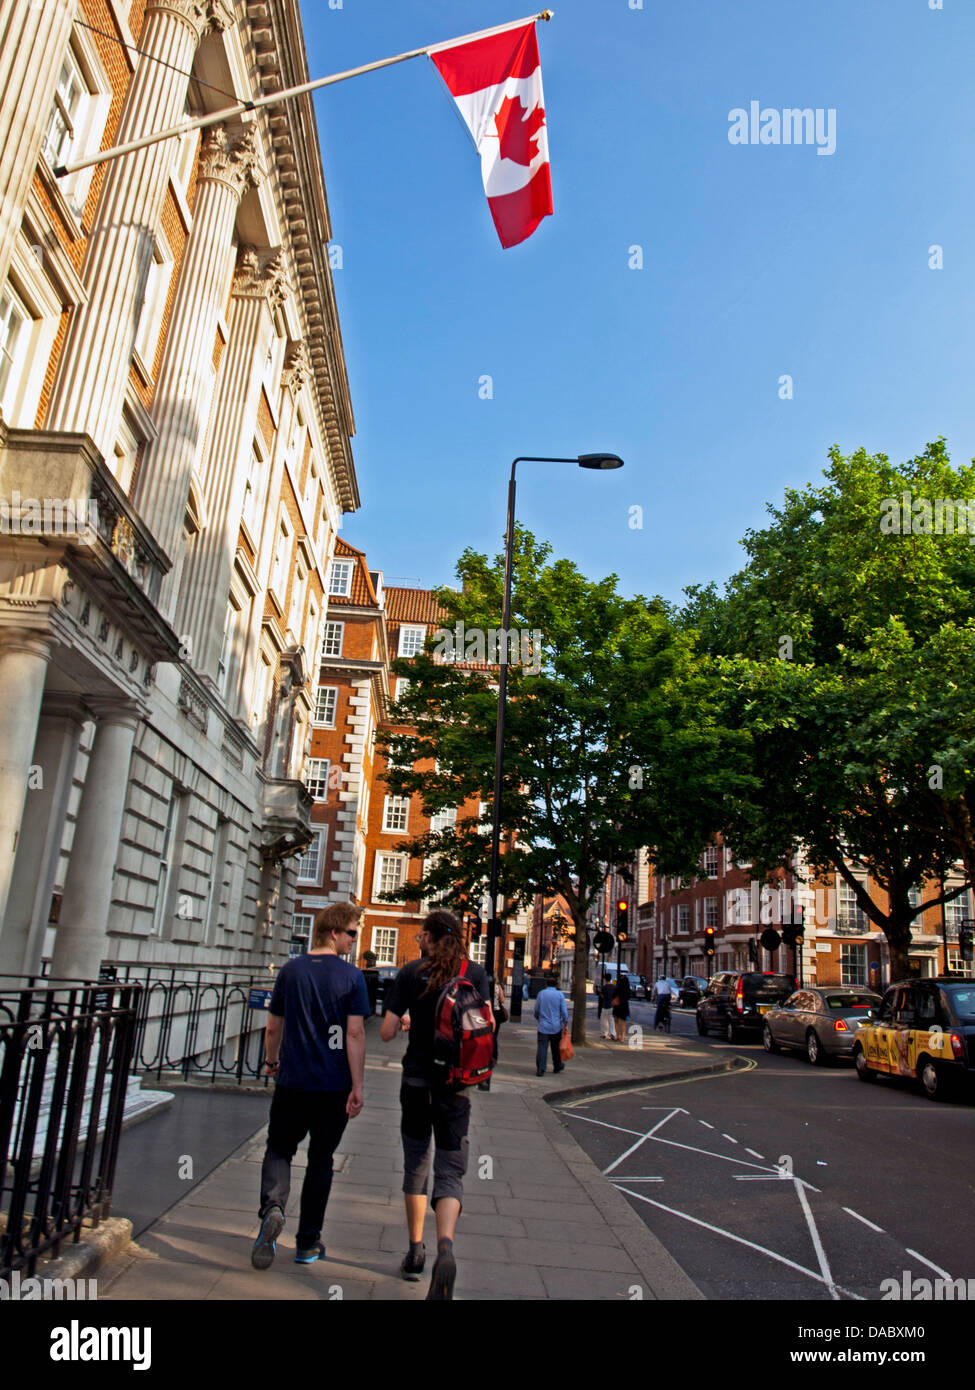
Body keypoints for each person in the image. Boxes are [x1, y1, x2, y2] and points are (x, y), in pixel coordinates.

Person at [380, 909, 489, 1300]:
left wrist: (409, 1020)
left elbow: (387, 1032)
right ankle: (446, 1246)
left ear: (429, 936)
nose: (419, 941)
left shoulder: (411, 973)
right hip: (456, 1086)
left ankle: (415, 1251)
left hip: (415, 1081)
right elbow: (483, 1025)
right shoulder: (474, 974)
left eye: (422, 935)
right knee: (450, 1171)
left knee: (416, 1165)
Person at [252, 903, 368, 1270]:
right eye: (351, 932)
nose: (354, 939)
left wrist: (272, 1062)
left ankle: (273, 1206)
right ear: (333, 932)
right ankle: (307, 1243)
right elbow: (354, 1033)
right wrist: (358, 1085)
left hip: (293, 1082)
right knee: (321, 1159)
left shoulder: (291, 971)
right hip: (333, 1086)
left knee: (279, 1149)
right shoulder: (351, 978)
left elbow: (273, 1026)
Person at [534, 973, 568, 1075]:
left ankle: (541, 1068)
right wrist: (565, 1023)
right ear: (556, 985)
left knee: (542, 1047)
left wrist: (538, 1018)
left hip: (543, 1025)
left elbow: (536, 1010)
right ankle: (557, 1066)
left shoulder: (541, 994)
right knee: (555, 1047)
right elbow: (564, 1012)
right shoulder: (560, 995)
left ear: (546, 984)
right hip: (556, 1026)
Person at [478, 979, 506, 1092]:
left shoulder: (481, 985)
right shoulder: (497, 987)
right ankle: (491, 1057)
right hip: (496, 1013)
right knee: (494, 1036)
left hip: (484, 1013)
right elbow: (503, 1000)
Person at [613, 971, 631, 1042]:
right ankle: (622, 1037)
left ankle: (617, 1035)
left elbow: (613, 995)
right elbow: (628, 997)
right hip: (624, 1006)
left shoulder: (617, 988)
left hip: (617, 1006)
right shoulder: (627, 990)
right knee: (623, 1023)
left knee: (616, 1021)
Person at [600, 974, 616, 1039]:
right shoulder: (614, 987)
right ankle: (612, 1033)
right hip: (612, 1005)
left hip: (605, 1005)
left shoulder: (604, 987)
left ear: (605, 979)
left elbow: (601, 995)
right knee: (611, 1020)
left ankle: (604, 1033)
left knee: (604, 1020)